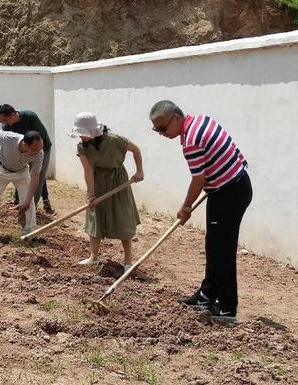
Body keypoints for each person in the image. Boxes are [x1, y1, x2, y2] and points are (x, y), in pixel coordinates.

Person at [150, 100, 252, 322]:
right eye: (156, 129)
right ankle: (207, 295)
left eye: (162, 128)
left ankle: (226, 307)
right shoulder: (201, 120)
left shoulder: (191, 141)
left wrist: (186, 207)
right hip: (229, 188)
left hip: (229, 193)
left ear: (176, 118)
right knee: (214, 245)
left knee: (222, 250)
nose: (160, 133)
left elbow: (198, 179)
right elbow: (232, 152)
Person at [71, 113, 143, 273]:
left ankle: (128, 261)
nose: (79, 137)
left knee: (123, 218)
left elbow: (136, 150)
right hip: (97, 182)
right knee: (94, 218)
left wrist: (139, 171)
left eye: (82, 133)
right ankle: (93, 257)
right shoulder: (82, 147)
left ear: (91, 131)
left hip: (118, 181)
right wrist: (91, 194)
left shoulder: (114, 139)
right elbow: (88, 170)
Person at [0, 130, 44, 252]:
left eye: (40, 148)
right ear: (25, 144)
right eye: (34, 149)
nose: (38, 152)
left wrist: (28, 200)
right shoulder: (9, 139)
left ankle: (30, 234)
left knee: (30, 203)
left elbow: (35, 176)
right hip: (0, 170)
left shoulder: (39, 154)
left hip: (21, 173)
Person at [0, 104, 54, 214]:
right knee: (20, 172)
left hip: (41, 148)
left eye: (6, 119)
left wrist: (34, 153)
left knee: (37, 176)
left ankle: (32, 207)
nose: (4, 123)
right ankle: (19, 200)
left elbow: (41, 137)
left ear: (14, 114)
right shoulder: (6, 126)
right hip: (24, 149)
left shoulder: (30, 116)